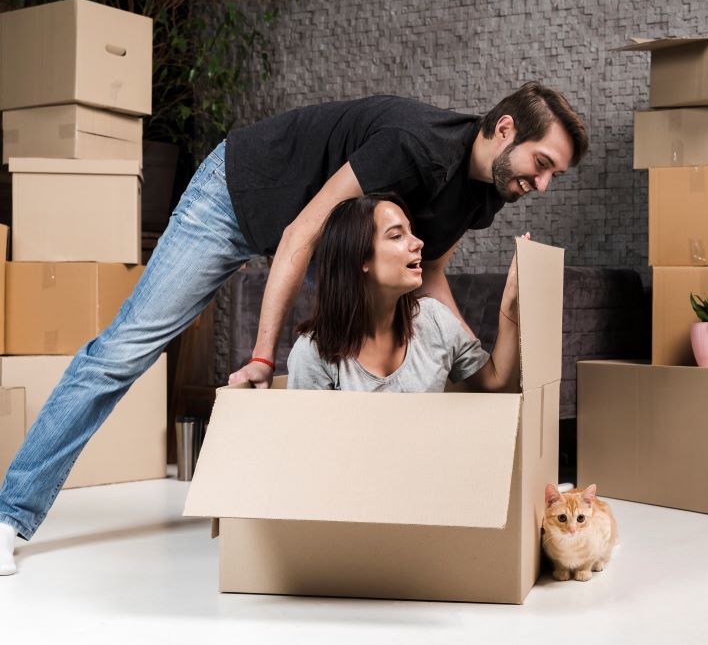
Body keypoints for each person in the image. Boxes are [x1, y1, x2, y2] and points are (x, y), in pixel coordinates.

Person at [0, 82, 588, 575]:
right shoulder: (415, 146)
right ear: (506, 129)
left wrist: (479, 360)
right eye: (542, 165)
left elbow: (429, 269)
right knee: (125, 350)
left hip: (299, 231)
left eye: (553, 176)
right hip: (235, 199)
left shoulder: (484, 196)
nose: (541, 186)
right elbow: (302, 232)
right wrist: (262, 355)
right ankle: (11, 515)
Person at [286, 193, 522, 393]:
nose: (418, 242)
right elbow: (309, 444)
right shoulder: (312, 354)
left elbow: (498, 386)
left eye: (410, 231)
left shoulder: (435, 319)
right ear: (360, 258)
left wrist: (510, 308)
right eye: (397, 236)